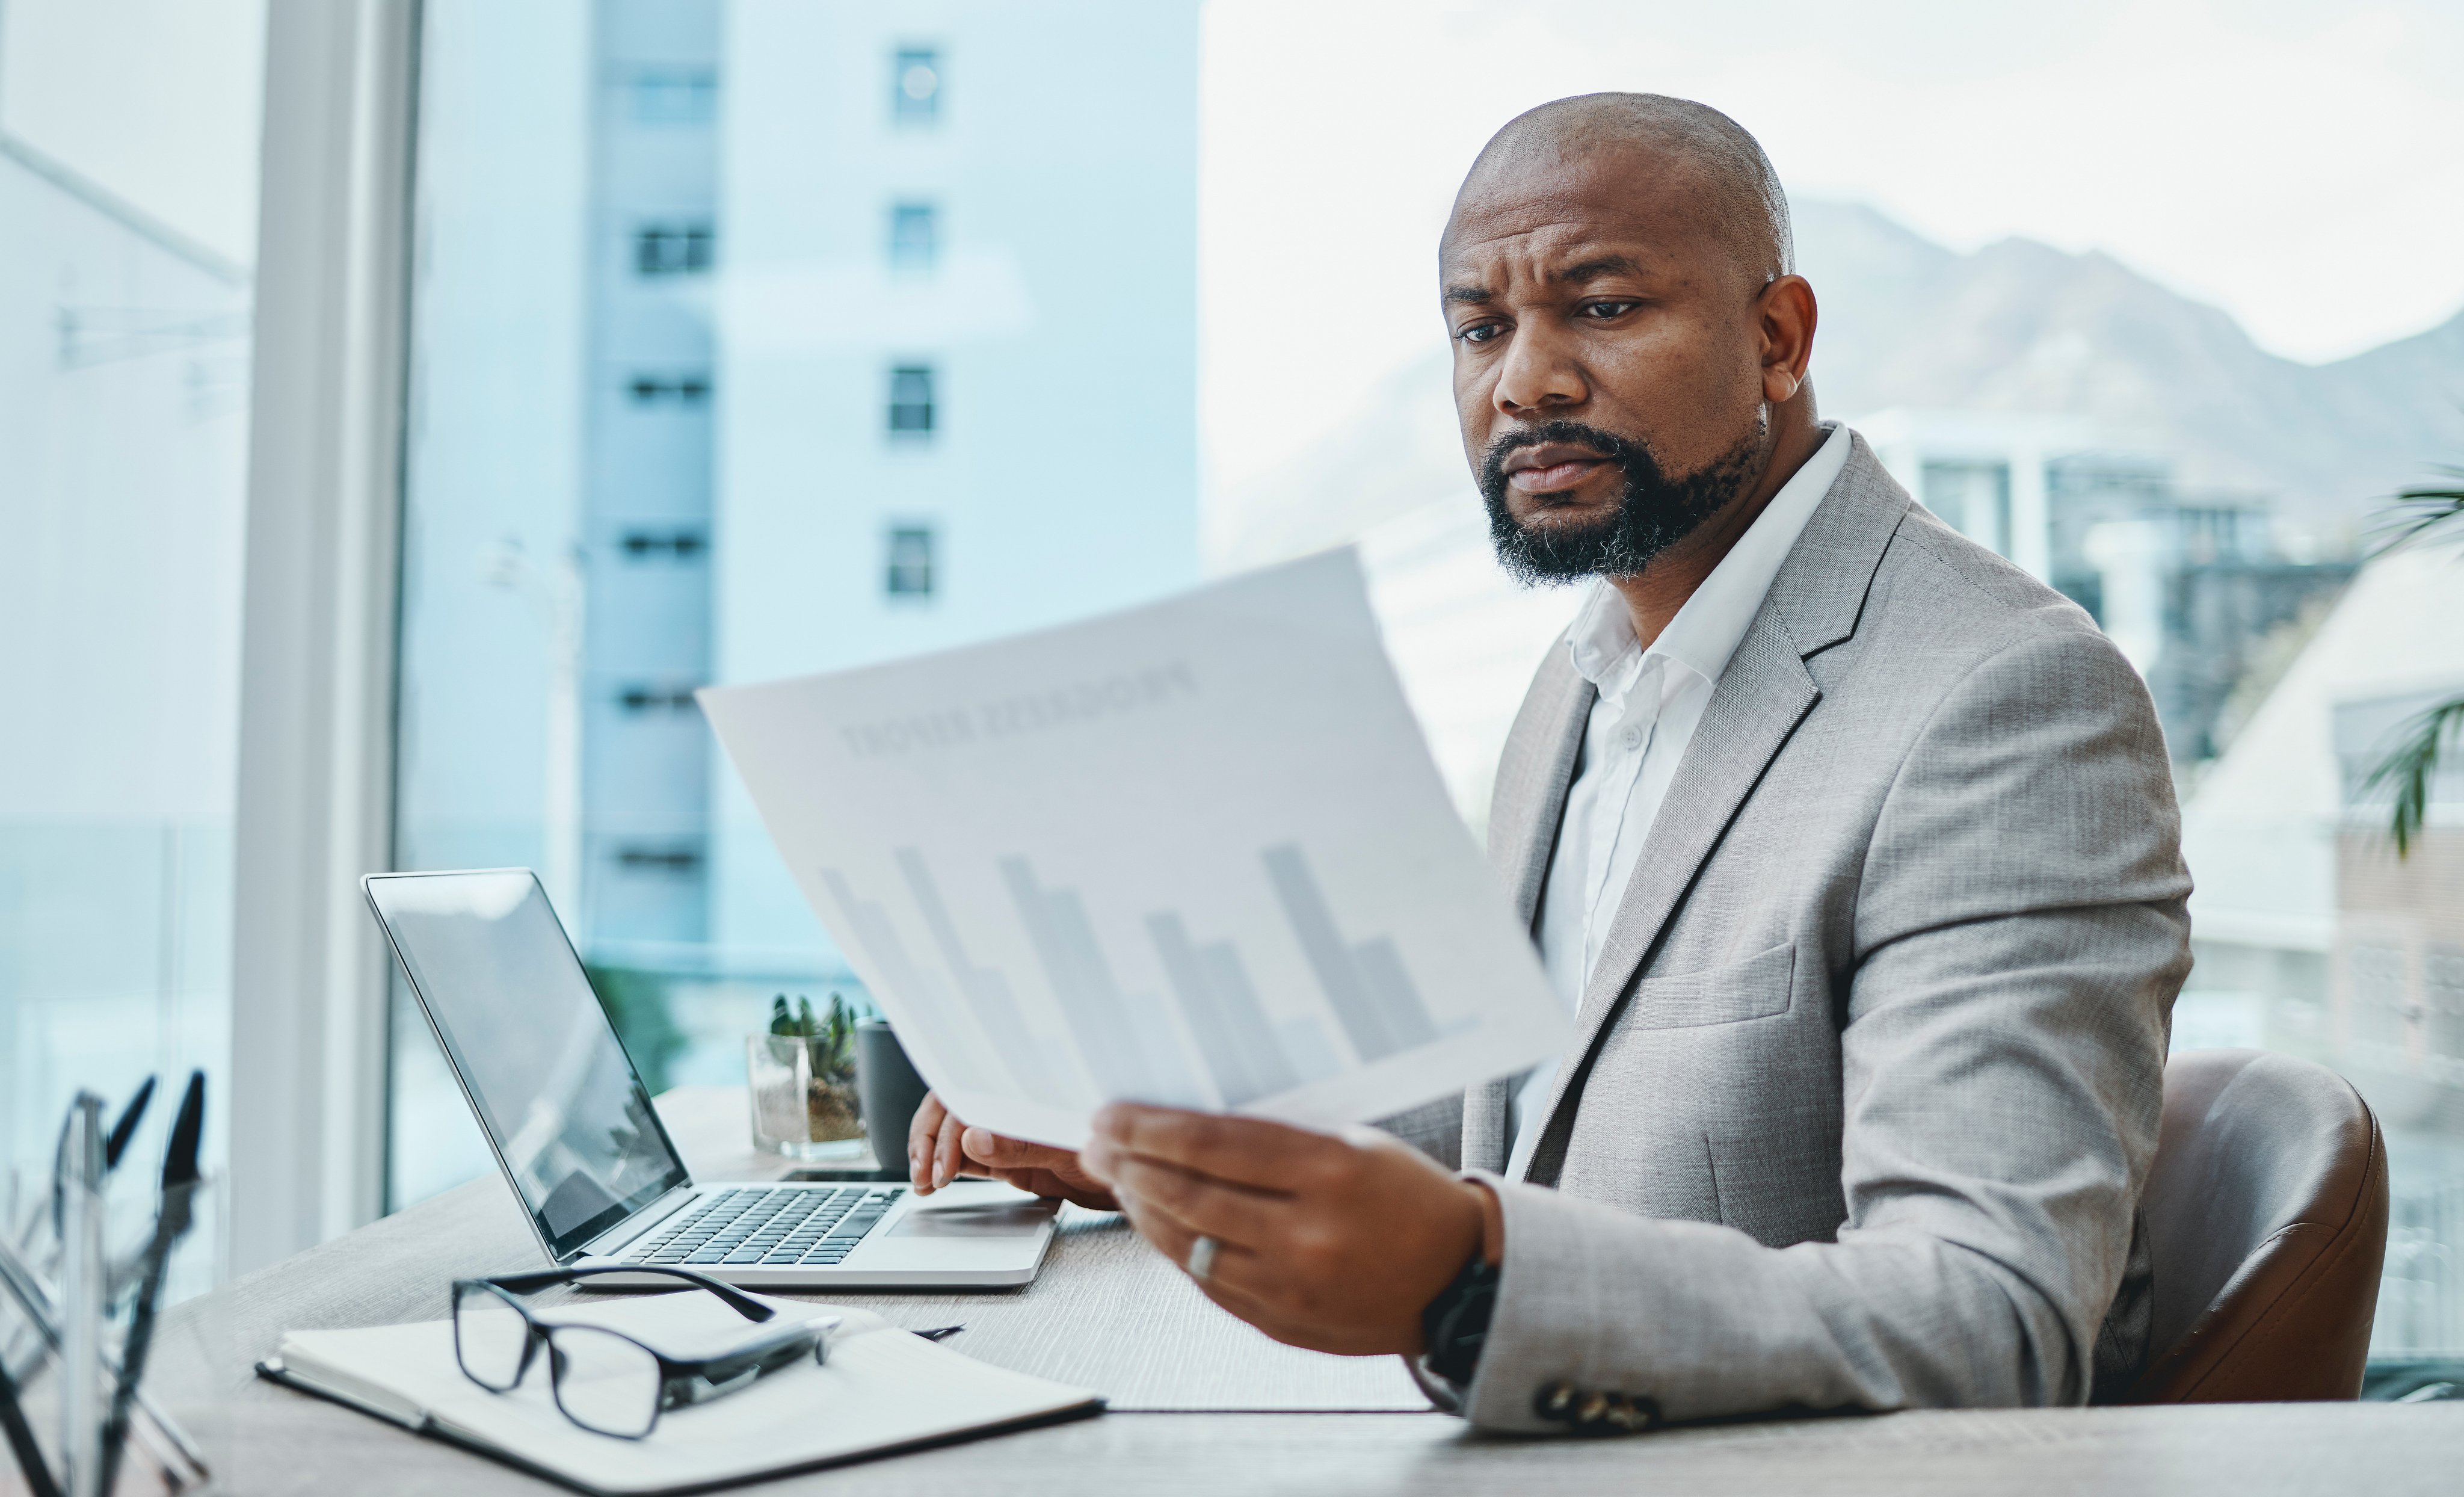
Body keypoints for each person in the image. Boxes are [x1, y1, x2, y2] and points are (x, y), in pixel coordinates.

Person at [908, 93, 2190, 1433]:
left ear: (1776, 337)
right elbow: (1515, 1106)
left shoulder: (2002, 698)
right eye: (1479, 327)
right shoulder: (1582, 671)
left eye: (1602, 306)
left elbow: (1986, 1318)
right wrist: (1156, 1135)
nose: (1525, 380)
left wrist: (1473, 1275)